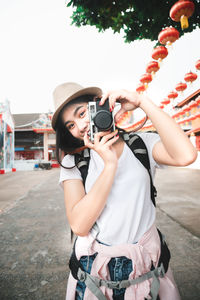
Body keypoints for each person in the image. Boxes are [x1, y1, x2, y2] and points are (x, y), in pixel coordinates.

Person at [52, 82, 197, 300]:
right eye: (71, 125)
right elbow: (80, 225)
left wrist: (142, 102)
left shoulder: (141, 143)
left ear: (101, 106)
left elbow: (186, 155)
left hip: (148, 268)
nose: (80, 126)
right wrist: (109, 166)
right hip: (95, 273)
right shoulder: (74, 162)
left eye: (82, 113)